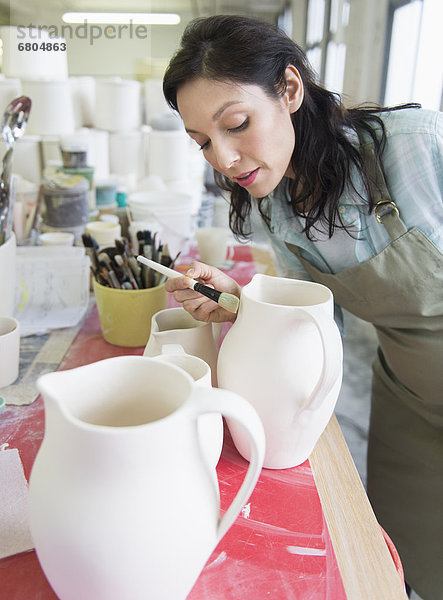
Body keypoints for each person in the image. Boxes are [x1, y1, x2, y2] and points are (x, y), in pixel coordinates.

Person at [162, 15, 443, 599]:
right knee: (410, 556)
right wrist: (241, 303)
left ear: (290, 89)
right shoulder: (278, 205)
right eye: (203, 142)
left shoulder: (417, 148)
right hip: (411, 398)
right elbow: (314, 324)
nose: (225, 157)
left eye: (236, 123)